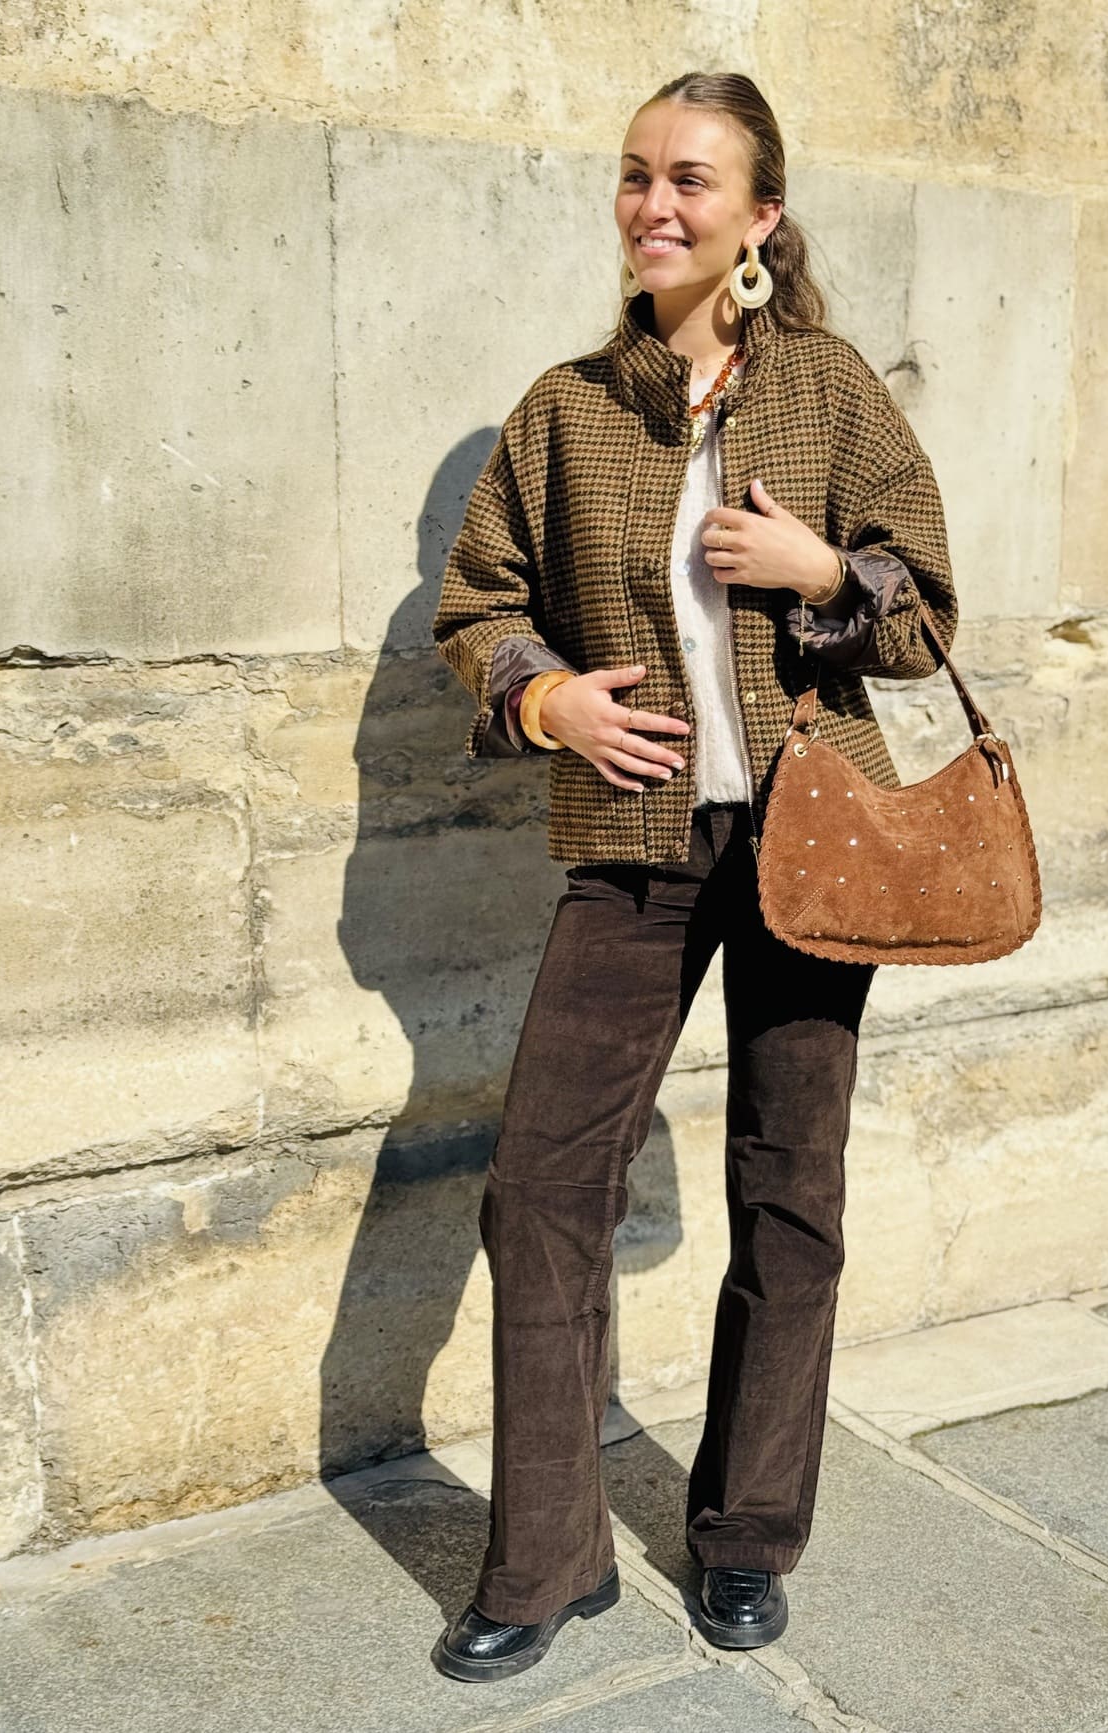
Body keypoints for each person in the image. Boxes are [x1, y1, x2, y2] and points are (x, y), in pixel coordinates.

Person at [429, 70, 959, 1683]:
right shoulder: (568, 406)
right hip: (635, 844)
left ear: (759, 217)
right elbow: (477, 602)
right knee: (540, 1188)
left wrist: (823, 572)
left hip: (811, 836)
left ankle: (745, 1537)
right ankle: (546, 1556)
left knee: (788, 1188)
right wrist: (547, 695)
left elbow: (927, 611)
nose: (657, 204)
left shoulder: (831, 390)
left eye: (694, 181)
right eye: (637, 175)